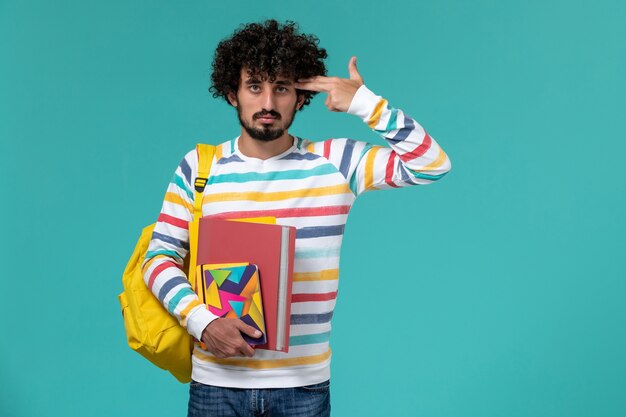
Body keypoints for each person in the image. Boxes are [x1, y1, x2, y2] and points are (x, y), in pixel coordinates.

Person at [142, 19, 451, 417]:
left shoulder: (337, 161)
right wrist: (201, 321)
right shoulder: (200, 168)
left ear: (300, 96)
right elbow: (159, 258)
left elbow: (432, 165)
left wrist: (366, 105)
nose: (268, 103)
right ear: (232, 94)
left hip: (302, 387)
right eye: (254, 86)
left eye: (282, 88)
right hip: (217, 385)